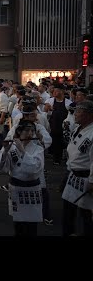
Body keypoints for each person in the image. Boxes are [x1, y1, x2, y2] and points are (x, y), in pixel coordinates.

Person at [0, 120, 44, 236]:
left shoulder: (38, 149)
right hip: (16, 188)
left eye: (32, 131)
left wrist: (22, 150)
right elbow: (1, 168)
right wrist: (5, 150)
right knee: (18, 224)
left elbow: (35, 169)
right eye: (26, 130)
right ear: (19, 132)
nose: (30, 134)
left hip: (31, 189)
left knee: (31, 225)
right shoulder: (12, 147)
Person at [61, 100, 93, 236]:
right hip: (72, 174)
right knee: (68, 210)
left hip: (86, 177)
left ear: (89, 115)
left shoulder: (91, 133)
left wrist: (92, 181)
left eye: (79, 112)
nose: (75, 114)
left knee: (86, 213)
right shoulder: (78, 128)